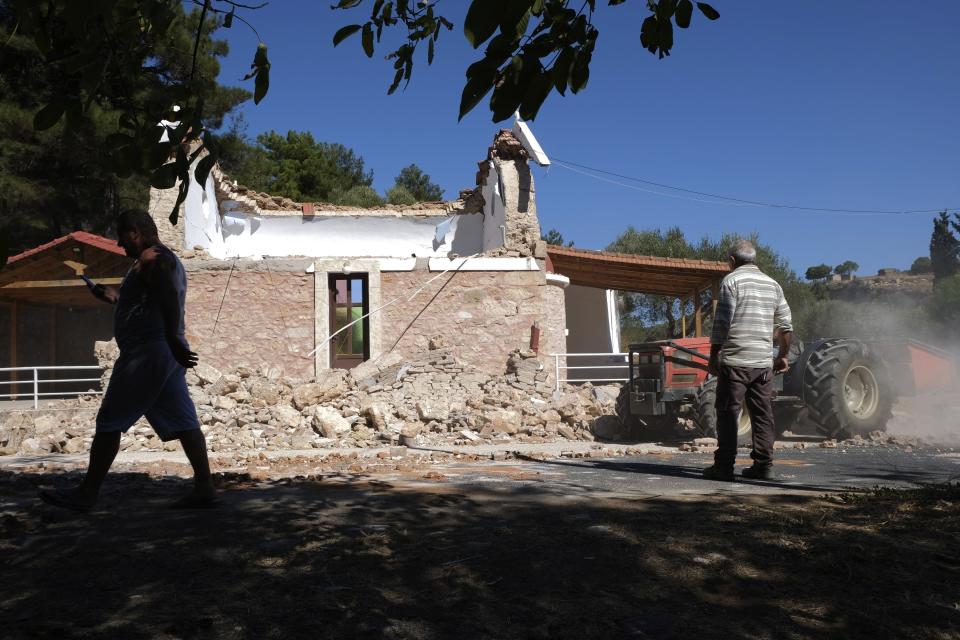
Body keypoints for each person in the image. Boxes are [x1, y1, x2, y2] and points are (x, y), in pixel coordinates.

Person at [41, 210, 216, 511]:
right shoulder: (150, 262)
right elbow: (133, 300)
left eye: (122, 236)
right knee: (184, 421)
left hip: (147, 353)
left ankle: (87, 494)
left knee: (109, 421)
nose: (120, 244)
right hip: (159, 353)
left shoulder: (154, 258)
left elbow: (168, 297)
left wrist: (173, 338)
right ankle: (204, 488)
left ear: (135, 231)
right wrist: (106, 294)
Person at [703, 240, 793, 482]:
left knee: (728, 412)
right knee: (763, 414)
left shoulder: (731, 282)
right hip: (763, 364)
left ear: (732, 260)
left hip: (736, 362)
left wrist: (714, 356)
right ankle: (764, 467)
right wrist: (782, 356)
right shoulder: (773, 285)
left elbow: (721, 324)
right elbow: (785, 325)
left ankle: (723, 467)